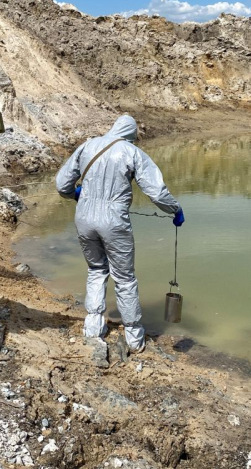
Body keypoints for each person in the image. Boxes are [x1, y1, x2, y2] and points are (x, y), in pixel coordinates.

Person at [56, 114, 185, 353]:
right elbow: (156, 192)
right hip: (114, 222)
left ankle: (93, 327)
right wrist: (175, 209)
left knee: (96, 269)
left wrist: (75, 194)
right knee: (124, 278)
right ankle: (134, 337)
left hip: (83, 218)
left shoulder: (87, 145)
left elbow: (62, 183)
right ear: (131, 135)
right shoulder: (132, 153)